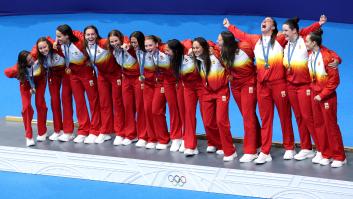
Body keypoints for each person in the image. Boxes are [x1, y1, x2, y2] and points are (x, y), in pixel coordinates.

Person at [223, 17, 321, 164]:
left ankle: (289, 147)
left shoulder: (281, 38)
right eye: (263, 20)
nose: (264, 21)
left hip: (279, 84)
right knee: (265, 119)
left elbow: (300, 33)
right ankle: (265, 151)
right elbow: (240, 35)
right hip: (262, 85)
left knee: (284, 116)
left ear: (273, 27)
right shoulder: (255, 39)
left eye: (268, 21)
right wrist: (229, 26)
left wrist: (318, 24)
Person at [282, 16, 335, 160]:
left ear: (294, 31)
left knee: (308, 117)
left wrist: (319, 23)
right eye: (282, 31)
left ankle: (321, 149)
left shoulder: (304, 41)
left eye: (286, 30)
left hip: (305, 85)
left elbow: (321, 46)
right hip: (290, 85)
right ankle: (306, 147)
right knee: (299, 117)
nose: (283, 33)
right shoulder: (286, 45)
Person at [216, 31, 261, 162]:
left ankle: (251, 151)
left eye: (220, 40)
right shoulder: (221, 51)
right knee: (248, 115)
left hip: (249, 84)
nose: (218, 42)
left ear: (227, 42)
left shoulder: (245, 48)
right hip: (235, 86)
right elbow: (208, 45)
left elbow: (260, 56)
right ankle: (259, 143)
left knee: (248, 116)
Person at [305, 29, 346, 168]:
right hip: (315, 96)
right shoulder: (310, 54)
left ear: (314, 43)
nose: (305, 43)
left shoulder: (328, 58)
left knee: (331, 126)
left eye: (307, 41)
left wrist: (321, 95)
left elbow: (334, 82)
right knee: (319, 125)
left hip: (326, 97)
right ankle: (326, 154)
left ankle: (339, 156)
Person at [55, 24, 101, 143]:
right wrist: (56, 42)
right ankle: (83, 130)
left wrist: (90, 62)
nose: (57, 39)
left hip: (87, 73)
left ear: (67, 36)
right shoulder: (60, 44)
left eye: (59, 36)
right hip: (74, 74)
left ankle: (95, 130)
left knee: (93, 101)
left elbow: (94, 46)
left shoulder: (81, 43)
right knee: (79, 102)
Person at [193, 37, 237, 161]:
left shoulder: (216, 54)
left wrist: (229, 76)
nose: (195, 50)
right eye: (194, 48)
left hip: (221, 91)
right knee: (207, 122)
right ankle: (220, 144)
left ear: (204, 47)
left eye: (198, 48)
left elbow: (228, 64)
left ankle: (230, 151)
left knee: (221, 121)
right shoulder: (197, 59)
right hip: (207, 92)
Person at [84, 25, 124, 144]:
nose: (90, 37)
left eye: (93, 34)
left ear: (97, 35)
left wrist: (125, 43)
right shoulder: (84, 45)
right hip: (102, 76)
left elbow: (122, 38)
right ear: (84, 36)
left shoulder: (104, 43)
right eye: (88, 35)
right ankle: (105, 131)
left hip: (115, 75)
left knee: (117, 103)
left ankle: (120, 132)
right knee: (104, 103)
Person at [109, 29, 147, 146]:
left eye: (116, 41)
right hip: (126, 79)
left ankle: (143, 136)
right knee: (127, 106)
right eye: (112, 42)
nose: (114, 43)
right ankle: (131, 134)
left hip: (138, 79)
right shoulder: (114, 51)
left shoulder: (133, 49)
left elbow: (127, 40)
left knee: (140, 107)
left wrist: (128, 45)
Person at [144, 35, 183, 151]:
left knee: (174, 110)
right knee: (155, 110)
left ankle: (177, 138)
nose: (148, 48)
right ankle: (163, 139)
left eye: (150, 45)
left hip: (177, 81)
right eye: (146, 46)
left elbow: (185, 44)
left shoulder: (165, 50)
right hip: (164, 82)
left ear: (157, 44)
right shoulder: (149, 53)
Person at [32, 37, 74, 141]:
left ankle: (68, 131)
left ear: (49, 45)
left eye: (45, 47)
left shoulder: (57, 48)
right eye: (40, 48)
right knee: (54, 101)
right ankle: (58, 130)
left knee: (65, 99)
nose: (43, 50)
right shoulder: (39, 55)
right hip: (52, 74)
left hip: (65, 73)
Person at [4, 50, 47, 146]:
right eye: (29, 60)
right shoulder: (18, 68)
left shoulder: (35, 54)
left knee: (40, 104)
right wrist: (18, 75)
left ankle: (42, 131)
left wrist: (54, 43)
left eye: (31, 58)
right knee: (26, 107)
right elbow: (6, 72)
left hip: (40, 81)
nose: (32, 60)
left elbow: (46, 40)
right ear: (23, 63)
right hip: (26, 85)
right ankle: (29, 136)